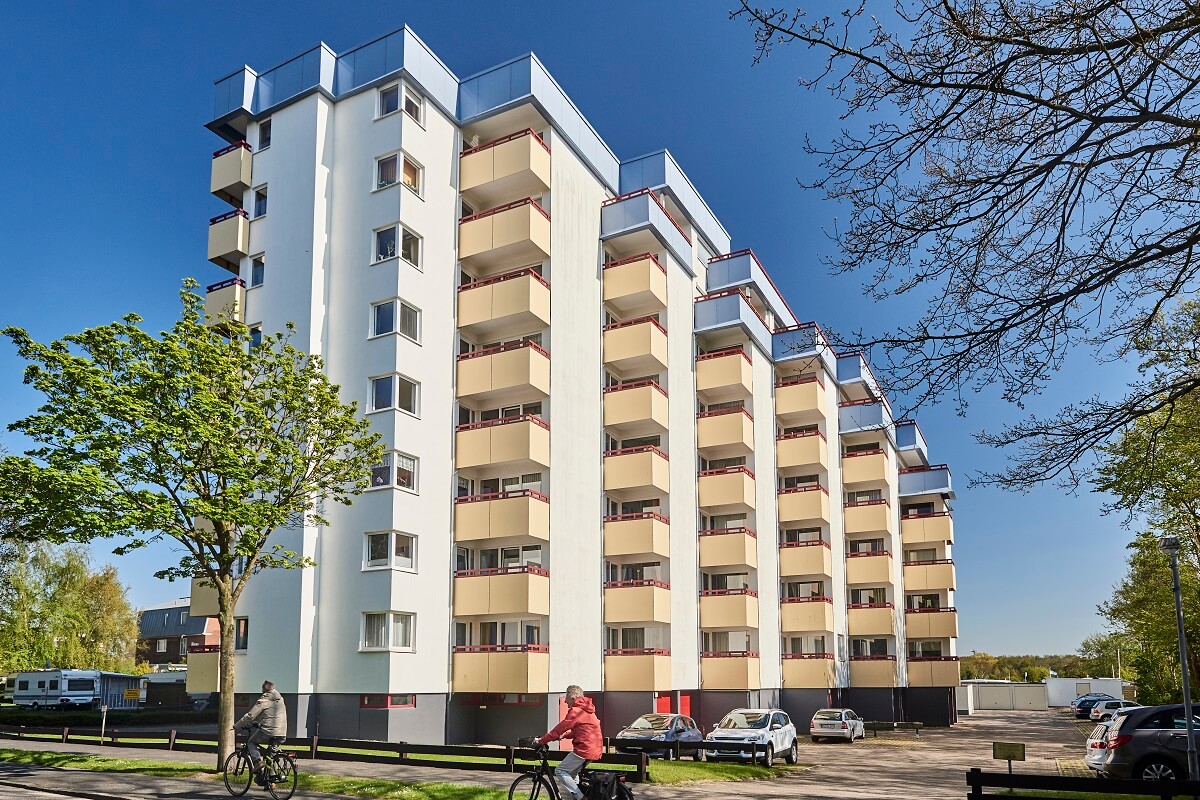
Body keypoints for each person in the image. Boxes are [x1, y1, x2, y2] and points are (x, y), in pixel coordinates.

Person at [536, 685, 601, 800]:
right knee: (572, 775)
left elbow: (558, 729)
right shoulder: (587, 709)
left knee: (560, 771)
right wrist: (565, 735)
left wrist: (541, 741)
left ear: (572, 697)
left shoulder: (576, 711)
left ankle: (581, 798)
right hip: (594, 748)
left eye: (566, 697)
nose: (565, 701)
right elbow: (583, 729)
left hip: (584, 749)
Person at [234, 680, 288, 780]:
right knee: (270, 755)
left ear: (264, 689)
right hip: (282, 732)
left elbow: (250, 716)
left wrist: (236, 726)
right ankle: (271, 781)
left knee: (251, 742)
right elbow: (271, 715)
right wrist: (260, 722)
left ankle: (257, 762)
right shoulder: (280, 699)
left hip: (268, 732)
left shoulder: (264, 700)